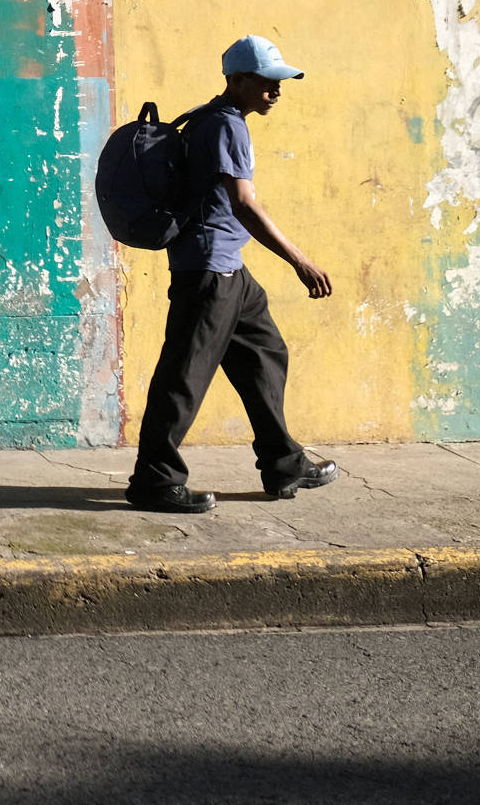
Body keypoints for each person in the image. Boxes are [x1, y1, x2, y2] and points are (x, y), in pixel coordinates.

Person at [126, 34, 344, 515]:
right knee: (183, 376)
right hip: (208, 272)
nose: (276, 90)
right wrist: (299, 260)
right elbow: (244, 204)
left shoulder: (208, 118)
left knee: (264, 353)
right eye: (266, 81)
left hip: (229, 270)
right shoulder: (226, 126)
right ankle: (155, 482)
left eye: (279, 81)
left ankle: (284, 463)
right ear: (237, 80)